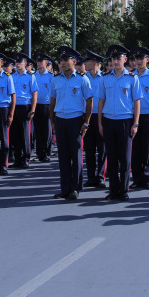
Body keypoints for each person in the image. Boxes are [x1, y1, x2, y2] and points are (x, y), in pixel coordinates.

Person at [96, 45, 141, 201]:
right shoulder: (105, 78)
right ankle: (113, 190)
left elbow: (136, 102)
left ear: (125, 60)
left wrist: (135, 123)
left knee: (125, 158)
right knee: (112, 157)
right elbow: (101, 101)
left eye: (118, 58)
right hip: (109, 120)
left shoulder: (132, 78)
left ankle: (123, 190)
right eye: (113, 59)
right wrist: (100, 123)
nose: (115, 61)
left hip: (125, 121)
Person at [49, 47, 94, 200]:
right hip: (61, 119)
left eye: (65, 61)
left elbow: (89, 102)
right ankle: (65, 188)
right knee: (63, 156)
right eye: (61, 61)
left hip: (76, 120)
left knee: (76, 155)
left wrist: (86, 122)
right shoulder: (55, 79)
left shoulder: (82, 79)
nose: (62, 64)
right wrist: (53, 122)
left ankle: (75, 188)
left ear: (74, 62)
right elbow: (52, 101)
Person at [130, 47, 149, 189]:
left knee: (147, 148)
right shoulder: (130, 76)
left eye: (141, 59)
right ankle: (136, 178)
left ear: (147, 60)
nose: (139, 61)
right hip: (134, 116)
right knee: (135, 149)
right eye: (137, 59)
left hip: (148, 115)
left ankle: (146, 177)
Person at [82, 51, 107, 185]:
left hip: (101, 115)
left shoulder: (104, 77)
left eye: (88, 61)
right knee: (89, 148)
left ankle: (100, 176)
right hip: (88, 115)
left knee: (102, 148)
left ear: (95, 63)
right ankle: (91, 177)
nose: (85, 63)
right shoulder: (84, 78)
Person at [10, 54, 36, 169]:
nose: (17, 65)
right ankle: (17, 158)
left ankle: (25, 158)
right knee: (15, 134)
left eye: (20, 63)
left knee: (25, 134)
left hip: (25, 106)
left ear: (25, 64)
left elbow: (34, 93)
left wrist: (33, 110)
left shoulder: (30, 76)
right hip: (14, 107)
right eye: (16, 63)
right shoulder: (11, 76)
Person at [32, 53, 54, 162]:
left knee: (46, 130)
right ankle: (39, 152)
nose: (39, 63)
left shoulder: (51, 76)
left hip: (47, 104)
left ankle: (45, 152)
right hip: (36, 104)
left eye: (41, 61)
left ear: (46, 63)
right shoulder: (34, 75)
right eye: (38, 62)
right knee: (38, 130)